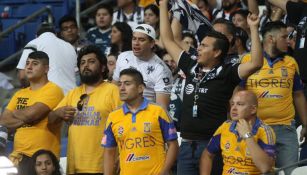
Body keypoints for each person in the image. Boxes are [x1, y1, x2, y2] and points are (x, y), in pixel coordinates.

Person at [160, 0, 263, 174]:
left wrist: (253, 28)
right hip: (185, 145)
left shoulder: (227, 72)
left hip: (213, 145)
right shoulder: (190, 65)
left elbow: (256, 63)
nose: (198, 49)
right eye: (200, 45)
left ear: (216, 52)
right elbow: (167, 39)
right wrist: (163, 5)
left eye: (204, 46)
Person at [240, 21, 307, 174]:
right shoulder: (247, 61)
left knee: (291, 172)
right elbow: (237, 92)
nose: (289, 41)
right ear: (271, 39)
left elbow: (298, 95)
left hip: (286, 129)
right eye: (284, 37)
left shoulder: (291, 62)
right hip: (256, 129)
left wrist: (305, 124)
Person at [49, 45, 121, 174]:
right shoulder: (73, 94)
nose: (86, 65)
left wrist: (121, 156)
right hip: (75, 167)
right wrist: (58, 113)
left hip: (103, 167)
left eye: (91, 62)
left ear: (103, 67)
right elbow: (50, 120)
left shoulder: (113, 91)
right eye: (82, 63)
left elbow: (124, 126)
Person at [103, 68, 179, 175]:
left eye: (127, 84)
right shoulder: (113, 117)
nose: (122, 88)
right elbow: (109, 152)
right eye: (120, 84)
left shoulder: (158, 111)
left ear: (140, 88)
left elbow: (173, 145)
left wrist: (165, 171)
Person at [0, 51, 64, 175]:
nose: (29, 67)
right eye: (27, 63)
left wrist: (18, 113)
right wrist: (29, 116)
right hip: (18, 157)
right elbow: (4, 121)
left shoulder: (53, 89)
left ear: (46, 69)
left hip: (43, 160)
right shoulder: (20, 93)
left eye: (35, 64)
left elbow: (32, 114)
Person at [200, 90, 276, 175]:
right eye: (232, 104)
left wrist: (248, 136)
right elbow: (207, 155)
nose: (234, 108)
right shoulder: (225, 126)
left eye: (240, 104)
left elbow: (265, 167)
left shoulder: (265, 130)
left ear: (253, 109)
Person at [112, 23, 173, 109]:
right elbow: (113, 89)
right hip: (120, 112)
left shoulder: (161, 70)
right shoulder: (123, 57)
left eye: (141, 40)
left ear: (152, 43)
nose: (136, 43)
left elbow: (162, 109)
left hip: (145, 116)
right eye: (134, 39)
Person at [17, 23, 77, 94]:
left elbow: (22, 76)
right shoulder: (70, 46)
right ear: (56, 35)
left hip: (48, 95)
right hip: (72, 95)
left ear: (36, 36)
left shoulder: (34, 43)